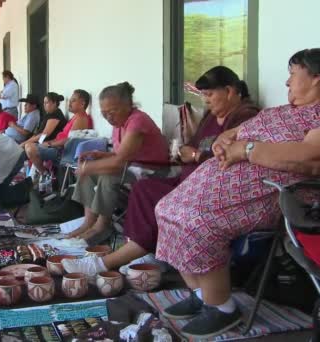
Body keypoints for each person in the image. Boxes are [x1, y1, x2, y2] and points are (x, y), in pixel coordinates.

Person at [153, 49, 320, 338]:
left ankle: (222, 307)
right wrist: (224, 142)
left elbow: (315, 158)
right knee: (165, 209)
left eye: (293, 74)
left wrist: (247, 150)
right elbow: (234, 134)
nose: (287, 83)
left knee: (196, 219)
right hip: (233, 185)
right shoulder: (285, 112)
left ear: (317, 77)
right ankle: (202, 294)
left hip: (284, 195)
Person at [63, 66, 260, 277]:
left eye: (210, 94)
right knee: (144, 190)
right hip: (188, 177)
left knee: (139, 188)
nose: (206, 101)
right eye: (203, 95)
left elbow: (232, 157)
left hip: (205, 185)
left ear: (230, 92)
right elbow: (190, 145)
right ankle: (147, 248)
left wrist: (195, 156)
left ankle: (106, 261)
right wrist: (186, 152)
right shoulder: (211, 117)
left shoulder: (245, 118)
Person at [67, 82, 169, 244]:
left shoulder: (137, 121)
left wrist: (88, 167)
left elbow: (120, 161)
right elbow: (121, 153)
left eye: (112, 112)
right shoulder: (119, 124)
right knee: (89, 174)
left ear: (128, 105)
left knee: (108, 176)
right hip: (134, 167)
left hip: (154, 171)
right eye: (104, 113)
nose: (109, 117)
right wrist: (99, 154)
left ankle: (102, 226)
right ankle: (88, 222)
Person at [24, 89, 93, 174]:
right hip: (56, 146)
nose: (69, 103)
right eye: (69, 100)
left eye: (73, 101)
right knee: (28, 148)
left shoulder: (81, 118)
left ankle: (45, 174)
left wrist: (48, 144)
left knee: (30, 148)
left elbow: (69, 141)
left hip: (62, 152)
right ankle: (37, 176)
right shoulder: (74, 117)